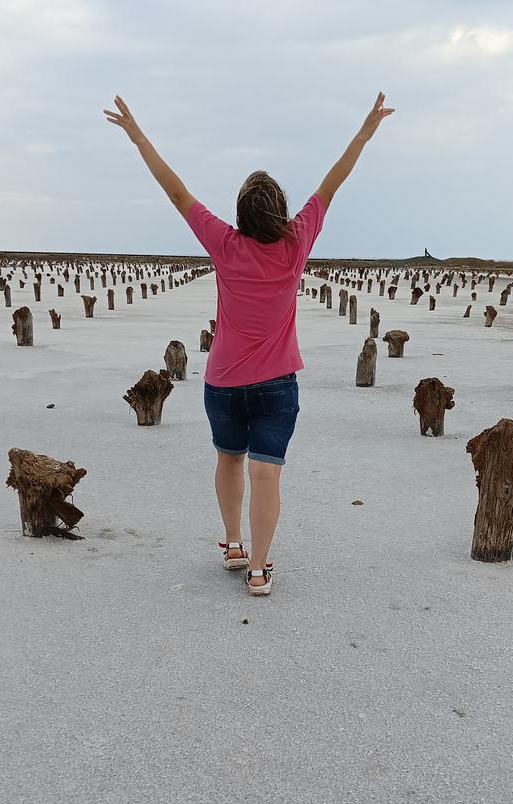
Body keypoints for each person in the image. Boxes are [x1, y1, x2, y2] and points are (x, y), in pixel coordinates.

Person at [105, 92, 394, 596]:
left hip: (222, 383)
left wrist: (137, 136)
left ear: (240, 213)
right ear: (281, 211)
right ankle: (259, 568)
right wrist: (365, 133)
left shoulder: (225, 244)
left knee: (228, 460)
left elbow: (177, 194)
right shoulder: (296, 241)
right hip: (276, 386)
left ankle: (234, 543)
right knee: (267, 475)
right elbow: (332, 183)